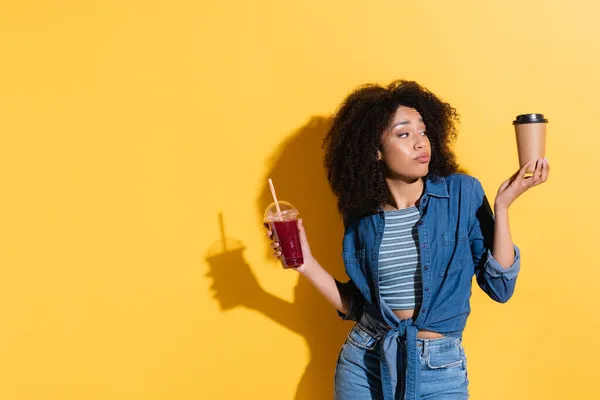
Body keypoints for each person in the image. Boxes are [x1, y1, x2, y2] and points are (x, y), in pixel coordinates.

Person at [266, 80, 549, 400]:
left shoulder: (461, 193)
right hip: (364, 363)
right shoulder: (362, 217)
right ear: (374, 149)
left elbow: (500, 288)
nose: (420, 142)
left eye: (423, 131)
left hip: (439, 369)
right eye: (404, 133)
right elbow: (360, 306)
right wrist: (305, 263)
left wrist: (502, 206)